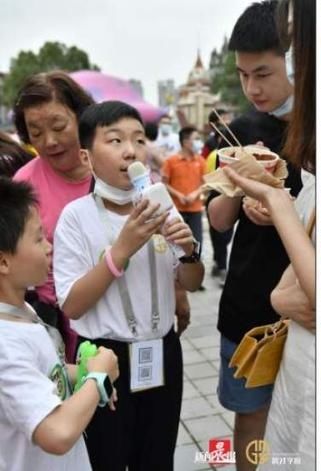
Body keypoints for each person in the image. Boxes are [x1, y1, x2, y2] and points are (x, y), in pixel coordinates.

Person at [53, 101, 204, 470]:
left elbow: (193, 281)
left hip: (162, 349)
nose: (130, 151)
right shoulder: (76, 217)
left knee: (157, 456)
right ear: (88, 158)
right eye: (115, 140)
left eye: (138, 139)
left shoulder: (160, 204)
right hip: (105, 357)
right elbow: (72, 305)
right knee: (109, 456)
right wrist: (122, 248)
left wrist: (188, 251)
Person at [207, 2, 302, 470]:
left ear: (294, 57)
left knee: (299, 417)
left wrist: (284, 209)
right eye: (244, 75)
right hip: (250, 304)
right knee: (253, 416)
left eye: (262, 72)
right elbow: (218, 218)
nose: (252, 88)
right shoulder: (238, 131)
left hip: (304, 307)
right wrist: (241, 190)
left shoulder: (312, 126)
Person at [0, 177, 119, 470]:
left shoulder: (18, 309)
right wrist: (97, 379)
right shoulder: (5, 344)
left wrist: (81, 371)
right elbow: (57, 433)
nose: (49, 246)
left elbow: (41, 368)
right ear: (3, 263)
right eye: (39, 238)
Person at [12, 71, 96, 362]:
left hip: (121, 320)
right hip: (59, 330)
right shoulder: (24, 184)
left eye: (58, 126)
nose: (49, 142)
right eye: (35, 133)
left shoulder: (113, 168)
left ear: (80, 117)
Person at [162, 126, 207, 257]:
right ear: (186, 142)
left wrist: (195, 194)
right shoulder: (171, 161)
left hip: (195, 209)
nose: (199, 142)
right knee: (175, 242)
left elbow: (206, 183)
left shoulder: (201, 161)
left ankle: (195, 267)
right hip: (175, 210)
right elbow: (164, 183)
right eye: (196, 138)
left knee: (197, 242)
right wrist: (179, 195)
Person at [202, 110, 234, 285]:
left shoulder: (233, 149)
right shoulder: (211, 149)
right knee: (218, 233)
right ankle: (221, 266)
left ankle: (218, 263)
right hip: (214, 192)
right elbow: (203, 167)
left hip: (228, 193)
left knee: (225, 234)